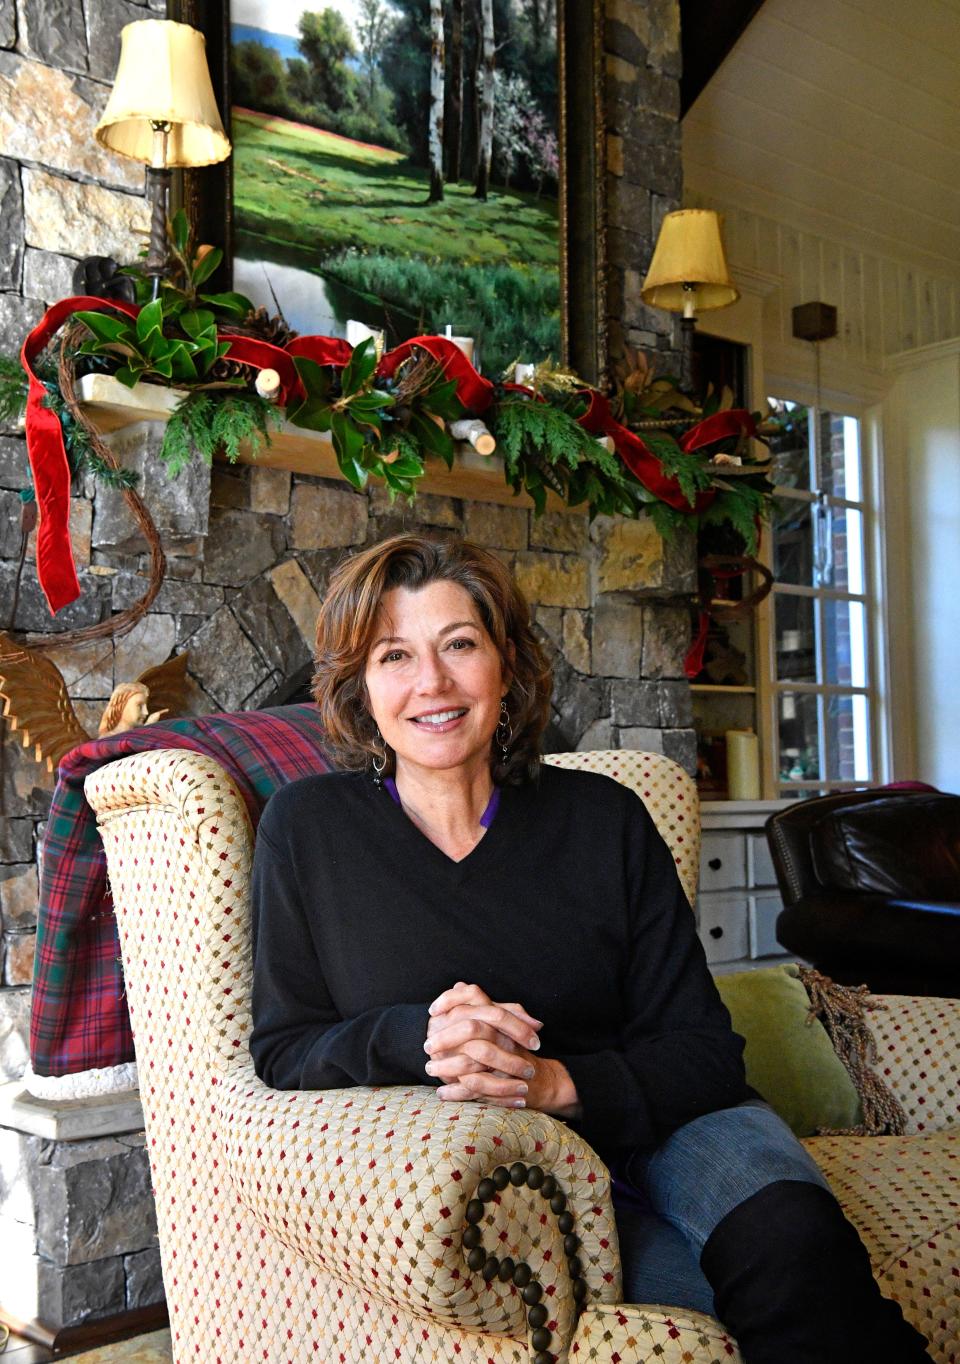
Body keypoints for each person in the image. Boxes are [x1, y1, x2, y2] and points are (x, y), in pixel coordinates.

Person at [250, 533, 930, 1364]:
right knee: (717, 1316)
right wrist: (418, 1038)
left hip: (677, 1127)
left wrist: (554, 1081)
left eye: (459, 644)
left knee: (798, 1254)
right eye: (395, 655)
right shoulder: (307, 828)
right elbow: (285, 1048)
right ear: (360, 684)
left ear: (506, 663)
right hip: (529, 1188)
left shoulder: (606, 818)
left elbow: (706, 1055)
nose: (431, 683)